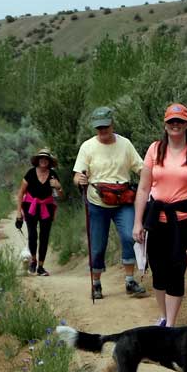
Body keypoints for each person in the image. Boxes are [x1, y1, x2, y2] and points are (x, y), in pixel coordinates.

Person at [133, 103, 187, 326]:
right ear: (165, 125)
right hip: (156, 219)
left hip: (184, 221)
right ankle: (164, 316)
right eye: (171, 122)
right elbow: (144, 188)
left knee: (176, 270)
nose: (175, 125)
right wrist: (137, 222)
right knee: (158, 270)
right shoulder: (155, 149)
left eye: (180, 121)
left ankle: (170, 324)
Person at [73, 106, 146, 299]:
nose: (103, 131)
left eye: (105, 126)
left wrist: (152, 178)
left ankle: (130, 280)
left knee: (130, 236)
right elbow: (78, 173)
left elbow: (140, 167)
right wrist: (79, 179)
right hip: (97, 202)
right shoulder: (87, 147)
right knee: (97, 245)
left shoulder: (125, 144)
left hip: (123, 200)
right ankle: (96, 283)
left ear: (112, 124)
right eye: (99, 128)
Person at [16, 148, 63, 276]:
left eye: (46, 159)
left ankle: (41, 266)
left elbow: (60, 195)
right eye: (41, 158)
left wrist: (58, 187)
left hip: (46, 208)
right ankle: (33, 261)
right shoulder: (30, 173)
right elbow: (21, 193)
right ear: (38, 160)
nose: (43, 160)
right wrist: (18, 213)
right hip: (30, 206)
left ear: (49, 161)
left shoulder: (53, 175)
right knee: (32, 235)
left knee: (44, 237)